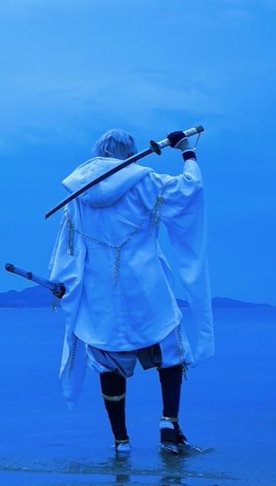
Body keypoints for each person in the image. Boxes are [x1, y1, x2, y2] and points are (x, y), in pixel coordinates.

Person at [47, 128, 213, 454]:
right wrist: (187, 152)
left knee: (108, 358)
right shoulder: (144, 181)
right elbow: (189, 190)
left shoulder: (79, 191)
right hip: (145, 284)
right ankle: (169, 425)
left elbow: (67, 246)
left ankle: (120, 442)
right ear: (130, 153)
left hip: (100, 291)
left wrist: (62, 283)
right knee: (169, 350)